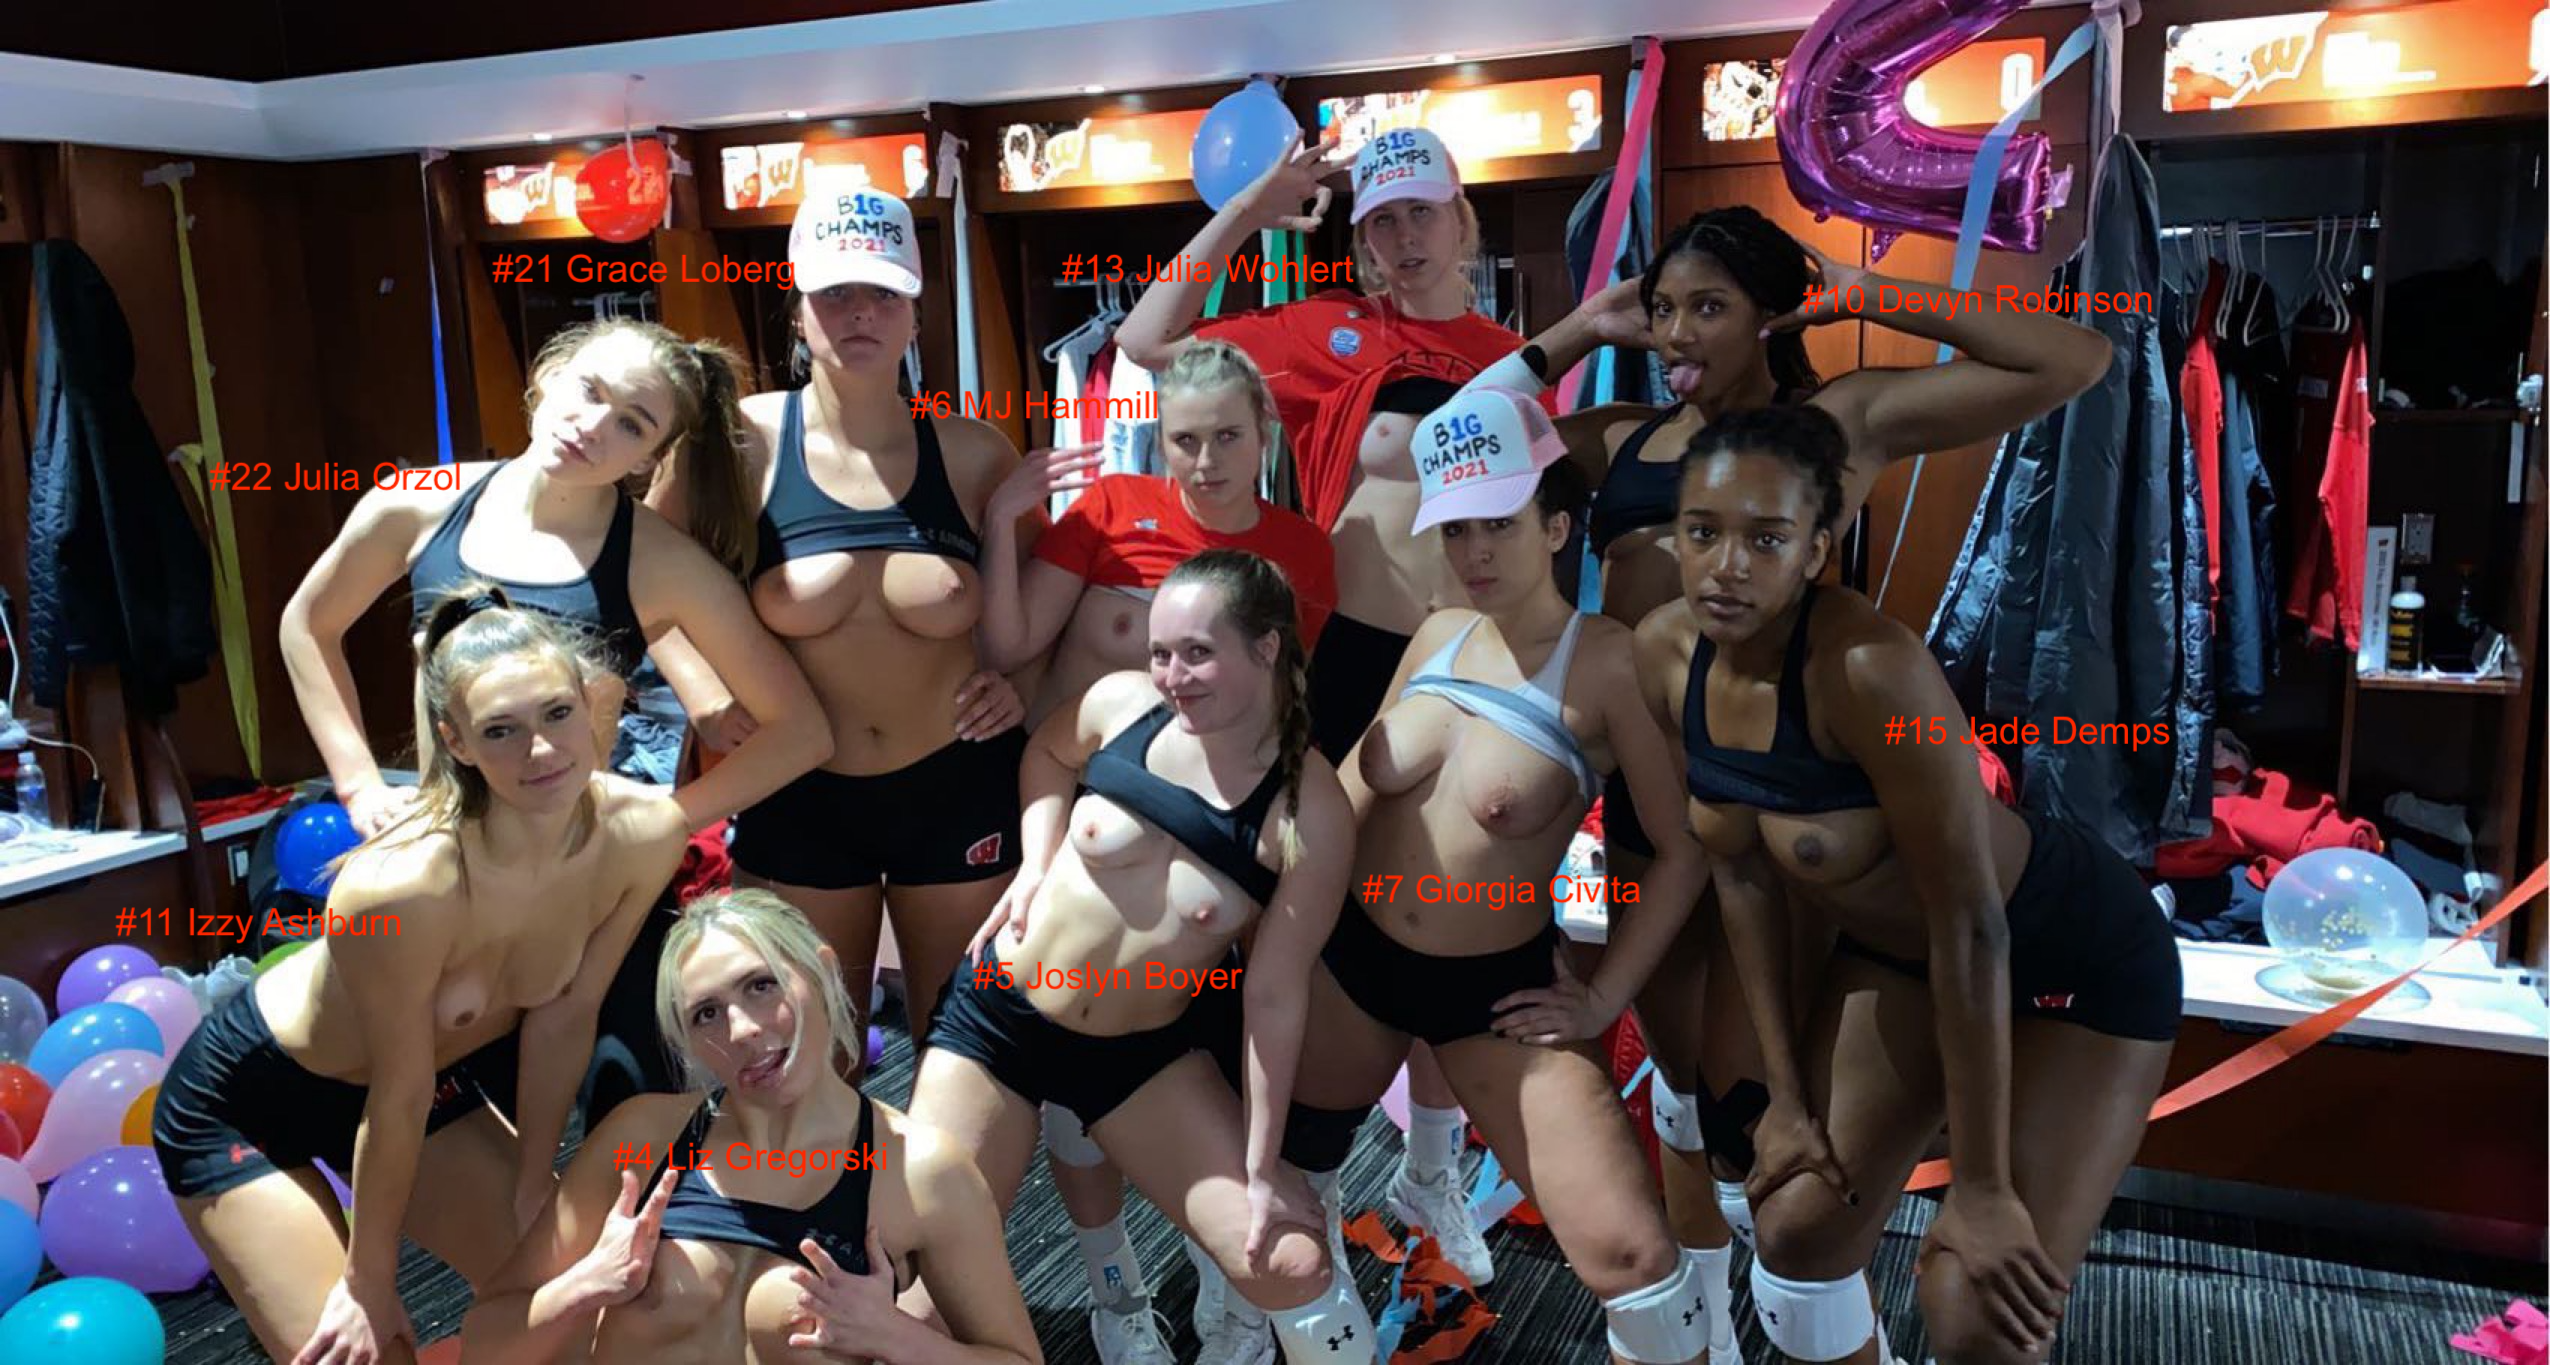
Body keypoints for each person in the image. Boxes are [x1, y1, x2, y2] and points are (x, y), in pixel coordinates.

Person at [1489, 204, 2114, 1353]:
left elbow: (2071, 359)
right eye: (1665, 308)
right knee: (1681, 1092)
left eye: (1708, 306)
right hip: (1650, 809)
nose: (1678, 332)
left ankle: (1823, 1317)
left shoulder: (1839, 421)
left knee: (1762, 1132)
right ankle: (1712, 1341)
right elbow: (1449, 441)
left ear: (1771, 315)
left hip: (1779, 806)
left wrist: (1867, 290)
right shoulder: (1621, 436)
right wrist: (1580, 328)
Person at [1641, 406, 2177, 1365]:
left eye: (1765, 539)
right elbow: (1741, 872)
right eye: (1704, 532)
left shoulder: (1875, 671)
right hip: (1906, 955)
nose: (1727, 565)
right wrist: (1788, 1097)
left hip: (2070, 953)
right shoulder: (1665, 654)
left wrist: (1980, 1185)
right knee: (1796, 1224)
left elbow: (1974, 926)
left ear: (1814, 551)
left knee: (1974, 1306)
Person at [1117, 122, 1532, 1292]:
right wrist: (1250, 208)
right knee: (1309, 920)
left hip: (1474, 665)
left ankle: (1433, 1166)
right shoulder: (1330, 332)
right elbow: (1146, 341)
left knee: (1446, 910)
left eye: (1420, 212)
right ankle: (1291, 1165)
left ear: (1463, 219)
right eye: (1379, 220)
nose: (1402, 237)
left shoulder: (1518, 353)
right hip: (1352, 661)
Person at [1283, 385, 1722, 1365]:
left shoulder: (1606, 662)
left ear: (1557, 528)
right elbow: (1350, 789)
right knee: (1286, 1197)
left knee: (1635, 1258)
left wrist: (1604, 995)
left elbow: (1684, 847)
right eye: (1457, 530)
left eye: (1500, 525)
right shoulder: (1434, 631)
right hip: (1350, 959)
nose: (1475, 551)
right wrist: (1274, 922)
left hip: (1494, 992)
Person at [155, 590, 694, 1365]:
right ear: (456, 741)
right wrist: (367, 1280)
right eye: (501, 730)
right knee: (368, 1354)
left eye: (556, 713)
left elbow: (566, 1014)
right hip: (249, 1103)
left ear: (592, 701)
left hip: (421, 1092)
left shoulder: (646, 833)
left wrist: (533, 1184)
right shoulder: (402, 886)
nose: (541, 750)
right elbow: (397, 1090)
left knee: (573, 1323)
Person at [915, 549, 1376, 1365]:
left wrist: (1261, 1167)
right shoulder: (1123, 703)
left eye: (1197, 652)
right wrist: (1034, 861)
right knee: (921, 1281)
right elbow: (1048, 755)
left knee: (1291, 1259)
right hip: (1000, 1019)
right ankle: (1112, 1296)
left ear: (1268, 646)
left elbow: (1274, 995)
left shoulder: (1310, 807)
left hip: (1138, 1056)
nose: (1171, 675)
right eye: (1160, 651)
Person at [975, 340, 1338, 1362]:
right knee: (1067, 1094)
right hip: (1073, 831)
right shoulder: (1110, 509)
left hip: (1211, 859)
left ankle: (1227, 1283)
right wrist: (1002, 522)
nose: (1206, 460)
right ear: (1158, 439)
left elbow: (1278, 713)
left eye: (1227, 436)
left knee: (1197, 1057)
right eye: (1184, 439)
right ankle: (1114, 1290)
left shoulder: (1302, 552)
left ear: (1264, 437)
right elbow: (1010, 646)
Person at [647, 183, 1028, 1053]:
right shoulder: (736, 445)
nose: (861, 312)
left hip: (957, 783)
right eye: (836, 292)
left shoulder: (974, 452)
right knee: (811, 1049)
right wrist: (702, 692)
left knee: (967, 1046)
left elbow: (1042, 603)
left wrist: (1021, 685)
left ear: (915, 316)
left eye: (884, 293)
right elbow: (640, 582)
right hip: (797, 793)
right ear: (797, 310)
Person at [280, 318, 830, 840]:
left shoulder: (665, 564)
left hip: (582, 872)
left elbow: (801, 731)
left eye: (631, 425)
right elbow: (306, 625)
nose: (592, 427)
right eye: (590, 391)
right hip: (447, 859)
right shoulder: (416, 502)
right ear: (550, 374)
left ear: (649, 459)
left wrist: (666, 821)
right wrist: (360, 787)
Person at [461, 887, 1042, 1365]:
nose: (740, 1030)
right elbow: (486, 1343)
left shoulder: (921, 1171)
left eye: (761, 986)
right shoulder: (642, 1140)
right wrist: (581, 1286)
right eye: (706, 1014)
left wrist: (895, 1335)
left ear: (822, 972)